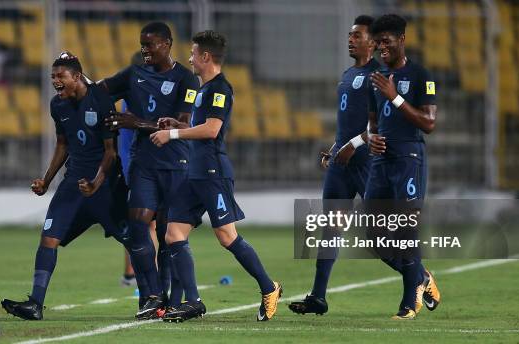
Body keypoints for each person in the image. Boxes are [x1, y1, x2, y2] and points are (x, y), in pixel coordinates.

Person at [150, 30, 282, 323]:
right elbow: (201, 127)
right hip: (193, 173)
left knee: (226, 236)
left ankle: (269, 287)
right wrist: (178, 122)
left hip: (213, 174)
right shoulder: (203, 90)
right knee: (173, 234)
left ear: (205, 57)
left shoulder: (220, 89)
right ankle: (193, 302)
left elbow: (211, 130)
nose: (189, 58)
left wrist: (172, 133)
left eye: (193, 53)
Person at [0, 52, 140, 320]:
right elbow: (63, 144)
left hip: (106, 186)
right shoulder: (58, 106)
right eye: (53, 76)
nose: (55, 81)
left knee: (133, 241)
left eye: (60, 76)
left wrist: (97, 182)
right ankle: (35, 304)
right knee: (48, 238)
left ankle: (152, 300)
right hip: (73, 184)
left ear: (77, 76)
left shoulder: (100, 100)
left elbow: (110, 153)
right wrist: (47, 180)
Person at [99, 22, 199, 319]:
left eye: (150, 44)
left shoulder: (186, 79)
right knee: (139, 225)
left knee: (169, 231)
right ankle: (151, 295)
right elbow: (101, 91)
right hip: (144, 163)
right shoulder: (133, 74)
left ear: (167, 44)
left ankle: (167, 296)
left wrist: (136, 123)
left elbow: (181, 122)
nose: (144, 49)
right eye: (142, 44)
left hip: (175, 163)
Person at [288, 15, 378, 316]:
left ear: (374, 42)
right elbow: (348, 121)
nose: (350, 39)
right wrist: (336, 148)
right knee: (331, 229)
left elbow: (380, 124)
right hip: (342, 164)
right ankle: (319, 296)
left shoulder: (380, 75)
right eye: (350, 35)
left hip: (367, 162)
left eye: (358, 35)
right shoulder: (348, 73)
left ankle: (420, 278)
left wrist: (355, 145)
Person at [365, 14, 441, 320]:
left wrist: (395, 98)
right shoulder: (376, 78)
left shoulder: (422, 75)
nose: (382, 46)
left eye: (387, 41)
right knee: (372, 236)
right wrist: (370, 139)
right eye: (378, 41)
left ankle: (410, 302)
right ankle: (420, 276)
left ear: (402, 40)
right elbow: (372, 123)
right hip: (380, 161)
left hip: (409, 159)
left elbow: (430, 123)